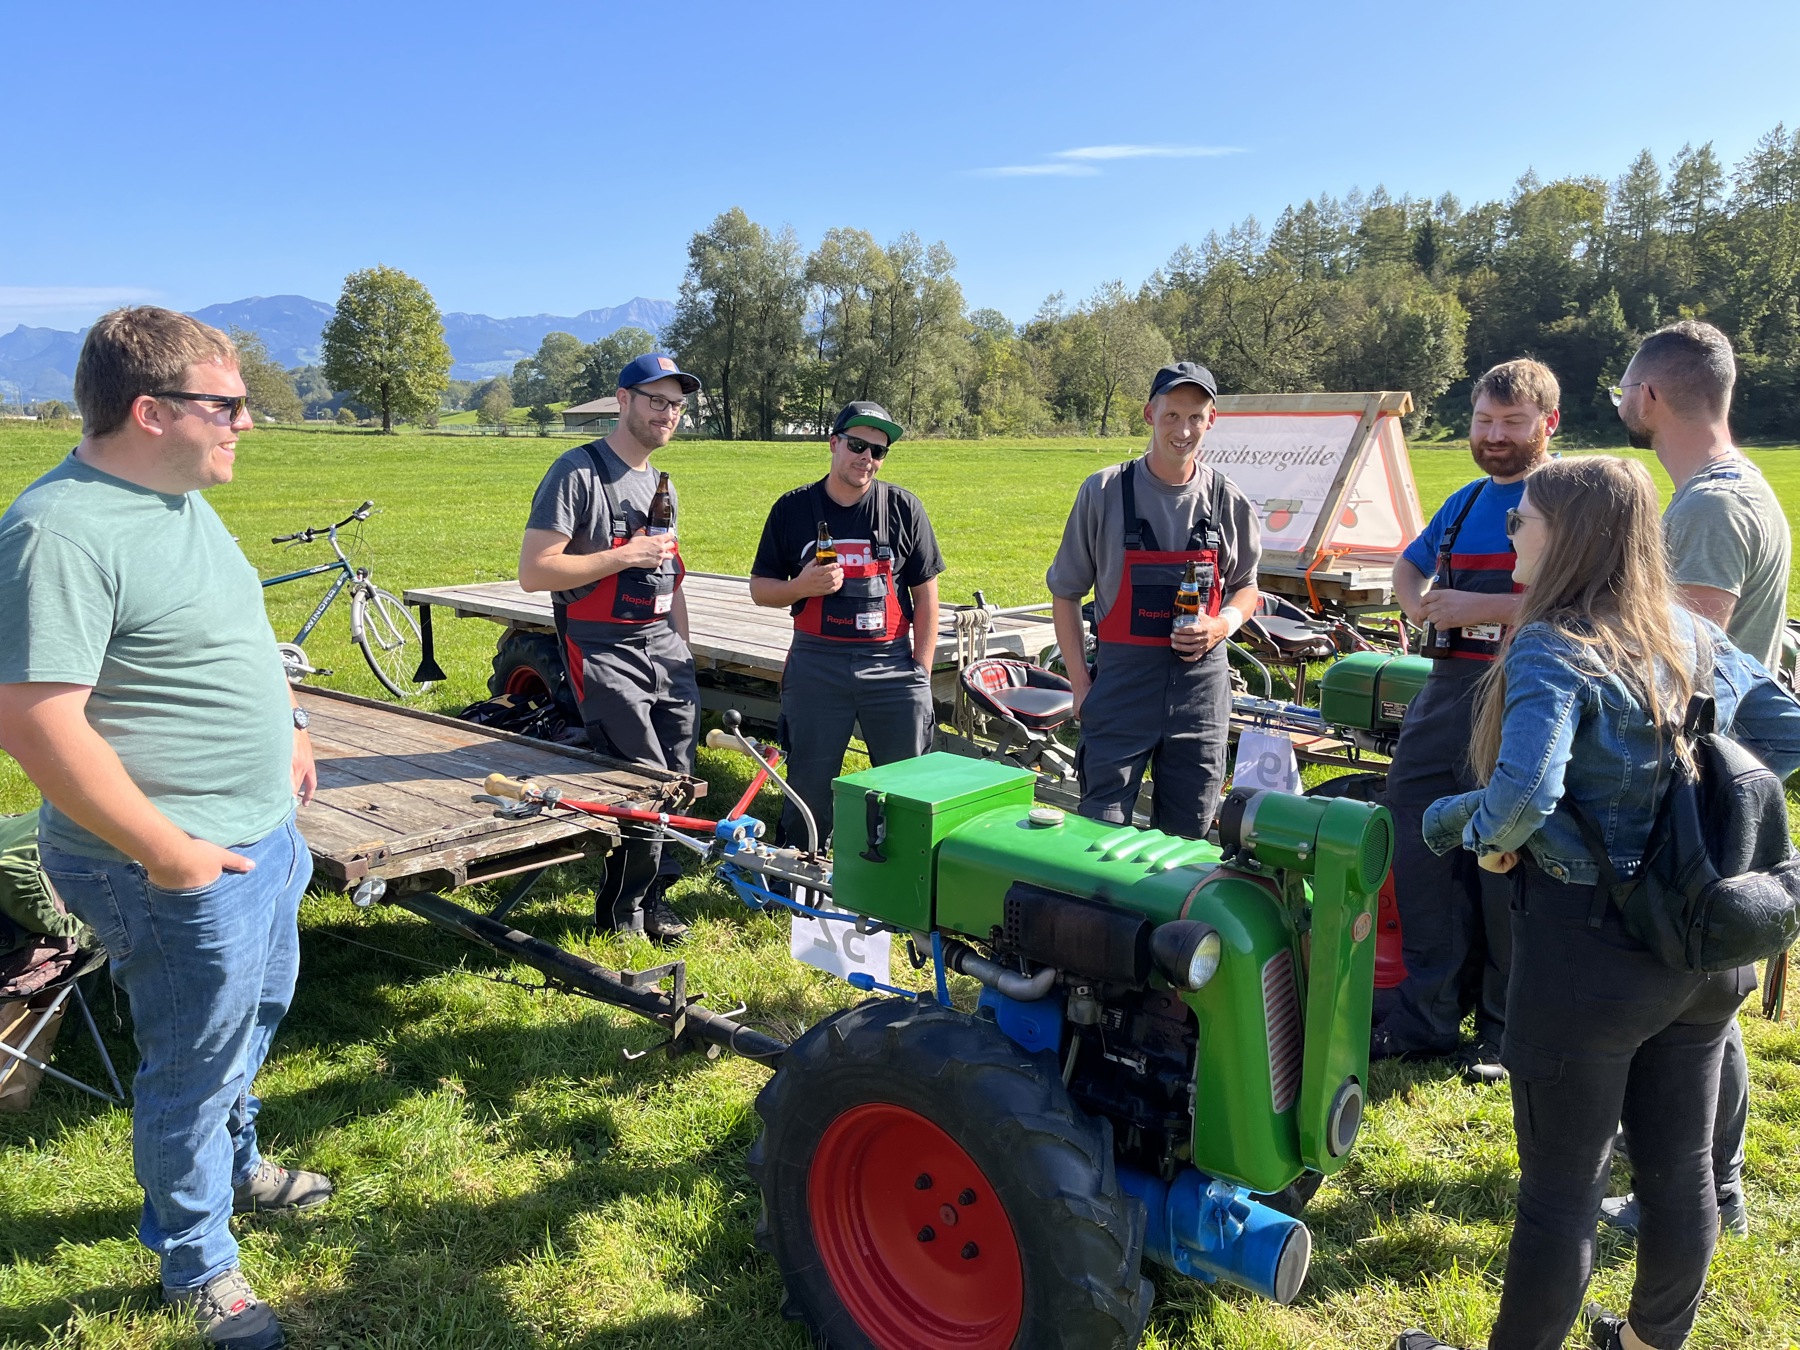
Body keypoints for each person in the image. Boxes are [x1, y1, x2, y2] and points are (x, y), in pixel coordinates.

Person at [1396, 456, 1800, 1350]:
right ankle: (1654, 1340)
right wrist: (1690, 822)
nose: (1510, 534)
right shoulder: (1691, 638)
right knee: (1683, 1167)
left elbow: (1518, 800)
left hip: (1591, 959)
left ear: (1569, 537)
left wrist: (1442, 822)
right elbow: (1785, 736)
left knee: (1559, 1195)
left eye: (1524, 522)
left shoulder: (1554, 645)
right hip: (1706, 946)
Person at [0, 308, 329, 1350]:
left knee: (249, 1022)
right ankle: (198, 1263)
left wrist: (292, 722)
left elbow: (235, 629)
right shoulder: (60, 530)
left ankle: (237, 1170)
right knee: (191, 1062)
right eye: (227, 405)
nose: (246, 424)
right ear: (151, 412)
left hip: (264, 834)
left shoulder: (178, 498)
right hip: (172, 867)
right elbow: (33, 719)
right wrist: (168, 852)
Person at [1601, 320, 1789, 1240]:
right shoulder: (1743, 489)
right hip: (1718, 775)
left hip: (1691, 782)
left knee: (1688, 997)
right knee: (1710, 989)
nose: (1623, 406)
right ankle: (1719, 1186)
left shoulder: (1709, 510)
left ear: (1653, 397)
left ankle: (1699, 1190)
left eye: (1623, 393)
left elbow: (1685, 659)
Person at [1373, 359, 1560, 1083]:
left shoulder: (1568, 499)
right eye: (1484, 421)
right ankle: (1425, 1017)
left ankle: (1504, 1032)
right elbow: (1408, 565)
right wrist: (1417, 599)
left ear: (1548, 424)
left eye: (1512, 424)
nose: (1494, 436)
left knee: (1504, 861)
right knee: (1419, 845)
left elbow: (1596, 600)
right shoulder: (1465, 500)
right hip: (1447, 694)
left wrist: (1484, 608)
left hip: (1527, 698)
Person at [520, 352, 702, 942]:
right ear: (622, 401)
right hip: (601, 643)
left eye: (676, 405)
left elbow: (671, 575)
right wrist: (623, 555)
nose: (667, 414)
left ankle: (657, 898)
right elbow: (536, 570)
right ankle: (621, 908)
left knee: (677, 771)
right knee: (641, 774)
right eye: (656, 401)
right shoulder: (577, 472)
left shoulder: (660, 484)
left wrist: (684, 646)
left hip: (662, 643)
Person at [1046, 362, 1260, 838]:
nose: (1183, 430)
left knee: (1189, 838)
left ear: (1211, 421)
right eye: (1171, 415)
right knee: (1099, 834)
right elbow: (1065, 591)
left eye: (1195, 417)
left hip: (1200, 695)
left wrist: (1221, 625)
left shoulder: (1228, 500)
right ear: (1149, 414)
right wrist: (1081, 685)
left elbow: (1248, 587)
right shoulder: (1104, 491)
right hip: (1121, 689)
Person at [749, 401, 943, 847]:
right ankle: (798, 875)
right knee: (809, 784)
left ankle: (902, 877)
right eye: (858, 445)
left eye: (878, 451)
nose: (867, 458)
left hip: (892, 664)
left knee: (906, 786)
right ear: (833, 443)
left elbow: (926, 593)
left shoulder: (903, 508)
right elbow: (761, 590)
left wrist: (921, 671)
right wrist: (801, 586)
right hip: (817, 662)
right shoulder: (793, 509)